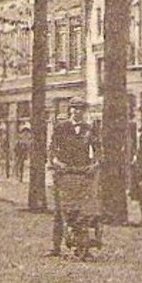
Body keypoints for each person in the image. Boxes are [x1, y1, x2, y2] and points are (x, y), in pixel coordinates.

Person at [48, 99, 98, 257]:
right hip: (64, 172)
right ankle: (55, 247)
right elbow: (52, 149)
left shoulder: (89, 129)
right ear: (70, 110)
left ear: (84, 112)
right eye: (74, 108)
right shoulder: (61, 127)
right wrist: (56, 162)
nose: (77, 112)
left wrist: (95, 164)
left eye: (81, 109)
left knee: (83, 210)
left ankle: (83, 246)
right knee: (59, 210)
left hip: (82, 172)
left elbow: (98, 149)